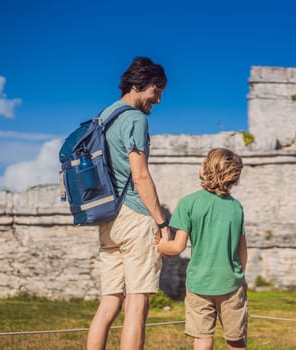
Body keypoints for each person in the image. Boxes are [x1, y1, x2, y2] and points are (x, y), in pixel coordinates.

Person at [86, 56, 171, 350]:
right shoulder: (135, 118)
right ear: (138, 85)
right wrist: (162, 222)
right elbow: (141, 176)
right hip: (134, 217)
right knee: (137, 303)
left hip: (108, 217)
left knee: (109, 303)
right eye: (155, 91)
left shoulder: (105, 115)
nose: (158, 99)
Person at [157, 148, 248, 350]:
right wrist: (240, 275)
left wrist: (159, 246)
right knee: (236, 340)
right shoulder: (236, 207)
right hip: (231, 282)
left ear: (206, 169)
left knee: (202, 339)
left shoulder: (189, 203)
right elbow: (242, 250)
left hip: (199, 283)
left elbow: (178, 246)